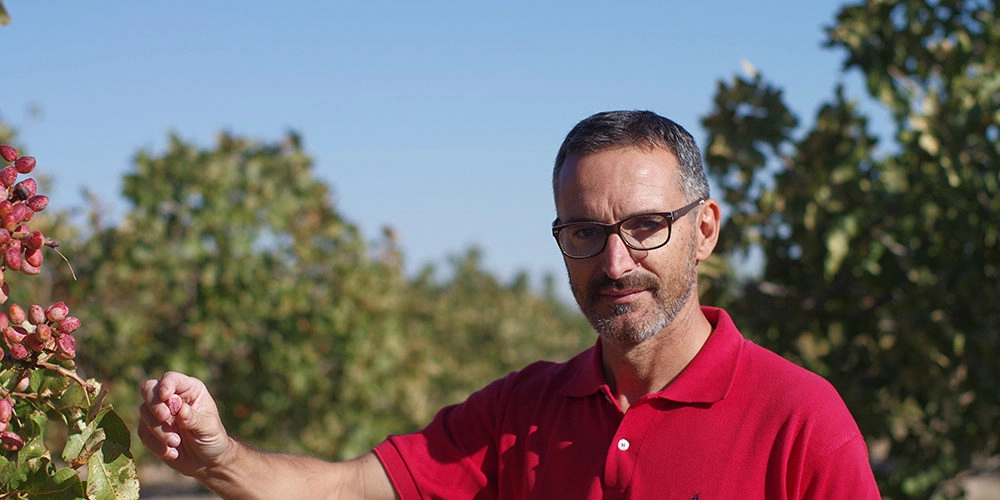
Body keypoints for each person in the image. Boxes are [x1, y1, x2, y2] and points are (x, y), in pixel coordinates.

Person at [139, 110, 881, 498]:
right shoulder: (521, 412)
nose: (615, 262)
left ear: (705, 231)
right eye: (585, 232)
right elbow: (345, 490)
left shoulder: (800, 421)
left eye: (646, 226)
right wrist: (218, 458)